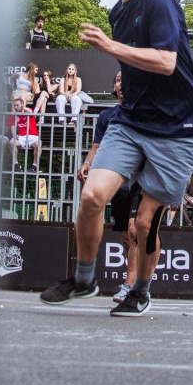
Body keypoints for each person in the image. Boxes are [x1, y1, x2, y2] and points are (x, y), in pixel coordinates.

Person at [40, 0, 193, 317]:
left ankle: (140, 290)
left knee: (144, 225)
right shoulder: (118, 12)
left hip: (176, 129)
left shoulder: (158, 0)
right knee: (92, 197)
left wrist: (109, 46)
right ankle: (84, 279)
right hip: (131, 121)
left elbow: (166, 62)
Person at [78, 73, 139, 301]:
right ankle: (133, 278)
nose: (122, 83)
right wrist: (87, 164)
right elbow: (97, 147)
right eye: (118, 80)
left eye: (126, 79)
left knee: (134, 230)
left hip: (140, 180)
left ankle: (130, 284)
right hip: (116, 181)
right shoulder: (106, 116)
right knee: (125, 237)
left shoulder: (143, 112)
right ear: (114, 87)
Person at [2, 93, 41, 170]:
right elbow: (13, 127)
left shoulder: (28, 111)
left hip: (32, 136)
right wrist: (14, 135)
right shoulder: (14, 116)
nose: (15, 107)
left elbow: (31, 113)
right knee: (12, 142)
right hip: (22, 137)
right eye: (14, 105)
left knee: (38, 144)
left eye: (17, 105)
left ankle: (35, 166)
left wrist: (24, 108)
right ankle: (16, 164)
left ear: (22, 105)